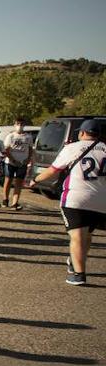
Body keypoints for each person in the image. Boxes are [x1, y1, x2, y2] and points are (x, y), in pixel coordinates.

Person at [29, 119, 105, 287]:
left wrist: (35, 179)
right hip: (101, 200)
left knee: (77, 236)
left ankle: (78, 274)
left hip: (76, 197)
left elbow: (53, 170)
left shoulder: (73, 148)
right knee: (87, 234)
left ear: (83, 133)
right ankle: (75, 261)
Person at [3, 119, 33, 209]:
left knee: (19, 182)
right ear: (15, 125)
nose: (19, 126)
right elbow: (6, 150)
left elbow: (30, 149)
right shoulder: (10, 136)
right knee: (8, 181)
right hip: (11, 162)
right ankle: (5, 199)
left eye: (21, 124)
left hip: (22, 162)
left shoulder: (28, 137)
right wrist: (13, 159)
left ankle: (15, 202)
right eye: (18, 124)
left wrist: (28, 159)